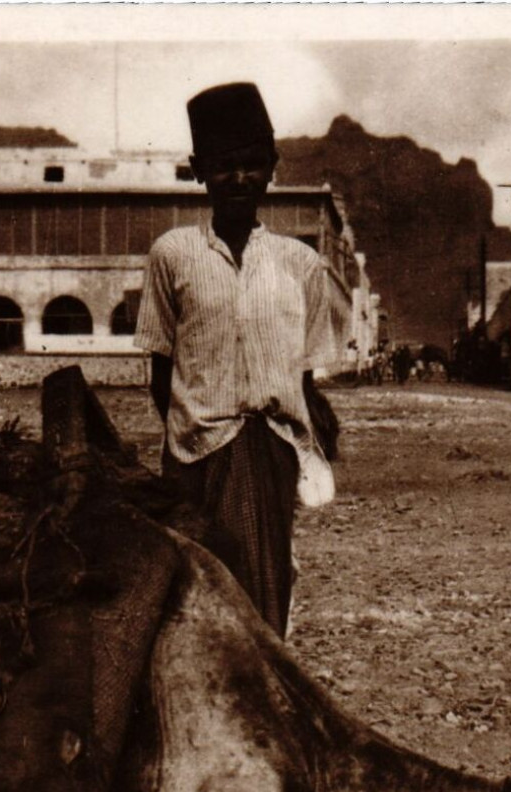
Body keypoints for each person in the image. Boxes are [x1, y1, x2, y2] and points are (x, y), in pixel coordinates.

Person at [134, 81, 336, 637]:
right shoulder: (172, 254)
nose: (239, 179)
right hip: (195, 451)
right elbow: (160, 369)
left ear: (271, 167)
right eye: (224, 166)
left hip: (270, 449)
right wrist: (191, 435)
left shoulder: (301, 263)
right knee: (194, 589)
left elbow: (303, 375)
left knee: (266, 585)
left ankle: (262, 693)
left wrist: (297, 444)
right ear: (199, 170)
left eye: (251, 165)